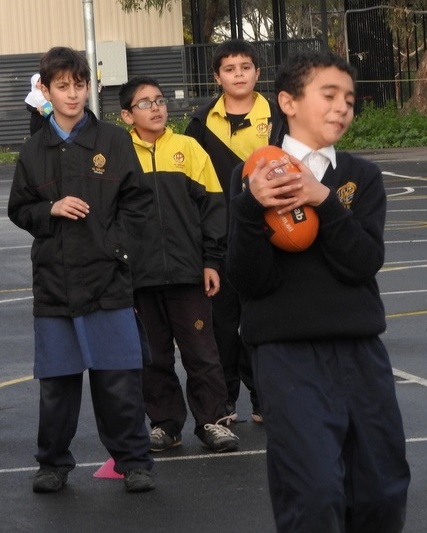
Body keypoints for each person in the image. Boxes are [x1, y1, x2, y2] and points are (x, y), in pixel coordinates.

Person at [226, 50, 410, 532]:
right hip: (288, 356)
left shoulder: (359, 177)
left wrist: (323, 200)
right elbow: (251, 280)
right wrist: (249, 211)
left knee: (382, 489)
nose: (342, 107)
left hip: (359, 352)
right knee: (313, 492)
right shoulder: (253, 176)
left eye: (349, 99)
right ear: (287, 100)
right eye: (328, 95)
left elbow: (363, 263)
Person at [8, 46, 155, 493]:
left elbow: (138, 204)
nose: (73, 94)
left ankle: (134, 461)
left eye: (79, 84)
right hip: (55, 285)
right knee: (56, 386)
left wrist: (115, 248)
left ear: (89, 86)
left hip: (108, 282)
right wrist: (50, 208)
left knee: (119, 382)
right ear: (47, 91)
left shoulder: (113, 141)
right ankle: (53, 463)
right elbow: (20, 208)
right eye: (62, 86)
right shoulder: (33, 150)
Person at [119, 76, 239, 453]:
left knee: (202, 352)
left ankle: (213, 422)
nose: (156, 108)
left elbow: (214, 209)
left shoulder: (188, 148)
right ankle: (165, 425)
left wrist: (211, 261)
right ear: (126, 115)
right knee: (153, 357)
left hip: (189, 274)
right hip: (140, 278)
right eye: (145, 103)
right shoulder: (119, 155)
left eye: (160, 100)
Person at [185, 39, 286, 423]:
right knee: (222, 326)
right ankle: (224, 401)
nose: (238, 74)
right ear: (217, 76)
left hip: (269, 233)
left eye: (245, 67)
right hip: (219, 237)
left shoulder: (279, 116)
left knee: (264, 320)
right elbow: (189, 181)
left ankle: (265, 399)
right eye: (229, 69)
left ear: (258, 73)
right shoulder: (199, 122)